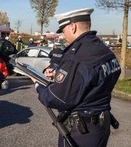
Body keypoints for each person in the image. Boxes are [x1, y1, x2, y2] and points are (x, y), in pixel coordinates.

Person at [36, 8, 121, 147]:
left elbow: (57, 99)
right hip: (101, 128)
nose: (63, 36)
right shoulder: (103, 49)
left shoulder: (77, 56)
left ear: (73, 27)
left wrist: (38, 86)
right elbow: (92, 77)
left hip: (81, 132)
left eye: (63, 31)